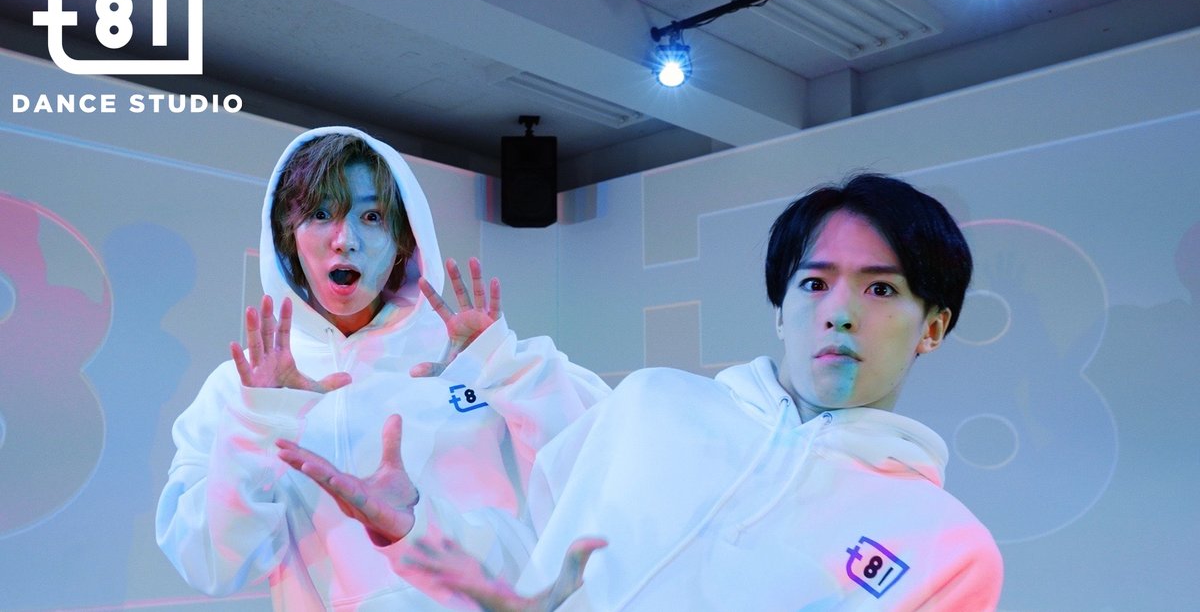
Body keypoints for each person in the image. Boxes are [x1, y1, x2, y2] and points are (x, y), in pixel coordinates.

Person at [290, 173, 1004, 610]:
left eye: (881, 289)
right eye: (814, 282)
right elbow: (531, 561)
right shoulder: (652, 404)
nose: (839, 312)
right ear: (781, 309)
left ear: (933, 326)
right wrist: (413, 527)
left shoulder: (948, 548)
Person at [155, 126, 609, 610]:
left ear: (403, 240)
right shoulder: (246, 389)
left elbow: (593, 478)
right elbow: (212, 565)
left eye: (371, 216)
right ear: (288, 237)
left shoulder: (470, 353)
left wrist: (508, 369)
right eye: (320, 214)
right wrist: (258, 426)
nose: (345, 240)